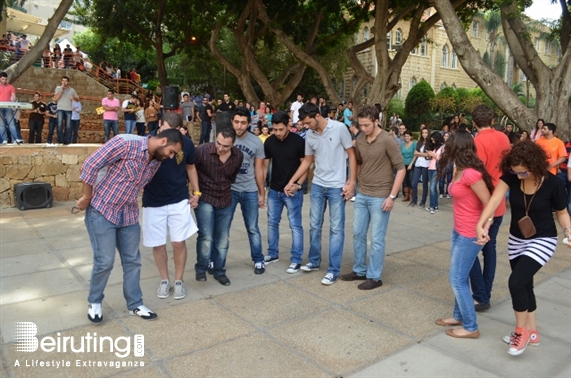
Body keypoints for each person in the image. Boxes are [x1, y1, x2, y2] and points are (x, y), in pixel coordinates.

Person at [76, 128, 184, 324]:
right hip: (102, 210)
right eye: (171, 152)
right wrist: (86, 196)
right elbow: (91, 164)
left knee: (133, 261)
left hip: (128, 214)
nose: (170, 157)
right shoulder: (125, 143)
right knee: (105, 262)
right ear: (163, 141)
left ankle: (135, 304)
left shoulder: (155, 161)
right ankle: (95, 301)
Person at [476, 140, 571, 355]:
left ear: (535, 166)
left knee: (516, 283)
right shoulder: (511, 176)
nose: (519, 176)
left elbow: (562, 213)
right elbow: (494, 201)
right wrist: (481, 223)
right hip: (516, 239)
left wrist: (568, 231)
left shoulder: (554, 184)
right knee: (526, 285)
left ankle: (521, 331)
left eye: (524, 173)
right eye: (516, 172)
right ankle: (533, 331)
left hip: (543, 239)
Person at [285, 102, 357, 285]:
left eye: (308, 122)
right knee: (314, 225)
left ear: (317, 115)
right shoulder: (310, 134)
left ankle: (333, 270)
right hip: (317, 184)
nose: (306, 127)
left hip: (336, 186)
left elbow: (352, 154)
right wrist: (292, 181)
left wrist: (352, 182)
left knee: (336, 229)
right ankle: (314, 261)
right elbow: (308, 161)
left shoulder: (340, 128)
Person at [434, 130, 494, 339]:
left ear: (456, 147)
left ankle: (471, 326)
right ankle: (459, 316)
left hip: (470, 233)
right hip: (458, 231)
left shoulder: (471, 173)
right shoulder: (459, 169)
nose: (445, 145)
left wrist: (485, 228)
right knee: (462, 275)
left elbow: (490, 205)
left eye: (449, 143)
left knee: (456, 279)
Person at [340, 106, 405, 290]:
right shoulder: (360, 139)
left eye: (366, 125)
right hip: (362, 193)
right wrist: (350, 183)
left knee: (377, 238)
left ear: (377, 121)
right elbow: (359, 163)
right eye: (360, 125)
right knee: (358, 233)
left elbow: (401, 169)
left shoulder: (388, 140)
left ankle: (375, 276)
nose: (363, 128)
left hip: (381, 195)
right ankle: (359, 269)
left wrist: (392, 196)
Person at [143, 112, 199, 300]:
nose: (171, 139)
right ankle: (164, 280)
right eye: (167, 131)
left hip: (178, 198)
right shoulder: (147, 142)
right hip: (153, 201)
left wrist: (196, 192)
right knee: (158, 244)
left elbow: (191, 167)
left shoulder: (186, 143)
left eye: (175, 133)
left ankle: (179, 280)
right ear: (159, 125)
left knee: (178, 242)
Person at [469, 105, 512, 312]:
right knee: (490, 250)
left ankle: (480, 294)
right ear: (493, 121)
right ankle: (485, 292)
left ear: (474, 123)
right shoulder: (503, 138)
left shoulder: (478, 141)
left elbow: (478, 174)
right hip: (500, 200)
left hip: (483, 204)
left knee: (469, 250)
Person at [194, 128, 244, 286]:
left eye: (225, 146)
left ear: (233, 145)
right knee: (206, 236)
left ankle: (219, 270)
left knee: (223, 238)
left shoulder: (238, 156)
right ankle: (201, 268)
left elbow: (232, 177)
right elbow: (190, 171)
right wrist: (194, 192)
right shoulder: (201, 151)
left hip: (225, 198)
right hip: (205, 197)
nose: (220, 148)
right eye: (218, 143)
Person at [228, 107, 266, 275]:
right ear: (232, 122)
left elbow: (259, 169)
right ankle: (215, 260)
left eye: (243, 123)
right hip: (229, 189)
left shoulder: (256, 142)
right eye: (236, 122)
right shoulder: (225, 138)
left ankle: (258, 259)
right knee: (223, 228)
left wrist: (261, 192)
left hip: (249, 190)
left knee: (252, 227)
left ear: (249, 124)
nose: (239, 126)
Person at [409, 128, 431, 208]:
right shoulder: (419, 142)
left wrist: (419, 153)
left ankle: (423, 202)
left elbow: (429, 155)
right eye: (423, 133)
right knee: (414, 183)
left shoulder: (430, 143)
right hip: (418, 164)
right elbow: (415, 154)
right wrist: (411, 163)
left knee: (425, 184)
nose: (424, 134)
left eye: (426, 133)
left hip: (426, 164)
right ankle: (414, 200)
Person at [54, 76, 78, 145]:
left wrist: (73, 98)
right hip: (60, 109)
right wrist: (61, 90)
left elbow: (78, 99)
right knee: (59, 124)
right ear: (61, 81)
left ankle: (67, 140)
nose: (64, 82)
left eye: (66, 81)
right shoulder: (58, 88)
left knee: (68, 125)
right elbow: (56, 99)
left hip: (68, 109)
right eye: (63, 81)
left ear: (68, 82)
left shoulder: (72, 90)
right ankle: (60, 139)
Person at [426, 132, 445, 213]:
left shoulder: (444, 147)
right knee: (433, 187)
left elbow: (443, 159)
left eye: (434, 140)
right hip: (431, 167)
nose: (433, 142)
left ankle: (432, 206)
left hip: (437, 169)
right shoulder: (435, 147)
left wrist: (433, 155)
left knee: (432, 187)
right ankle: (435, 205)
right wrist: (429, 155)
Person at [401, 130, 416, 202]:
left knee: (411, 180)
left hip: (411, 164)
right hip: (403, 164)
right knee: (405, 180)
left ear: (411, 137)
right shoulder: (402, 145)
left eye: (408, 136)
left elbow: (415, 155)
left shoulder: (414, 144)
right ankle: (406, 196)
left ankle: (412, 196)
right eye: (405, 136)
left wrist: (411, 164)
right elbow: (401, 154)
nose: (406, 137)